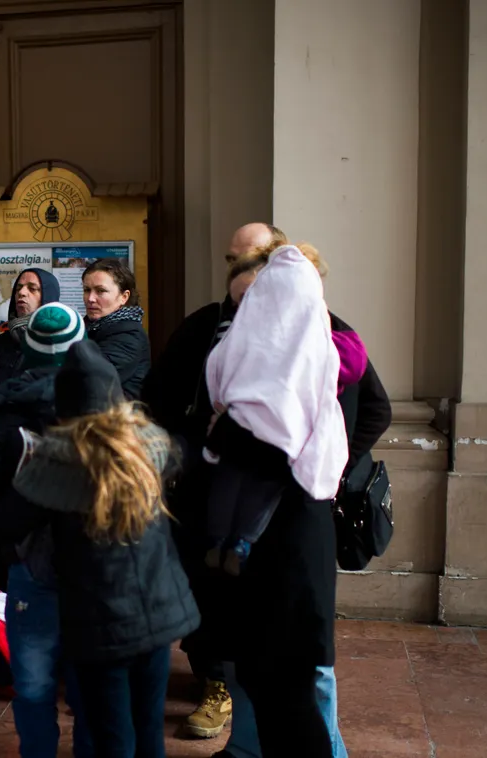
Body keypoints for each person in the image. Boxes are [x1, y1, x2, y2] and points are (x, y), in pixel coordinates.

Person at [213, 246, 390, 758]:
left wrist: (223, 431)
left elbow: (259, 447)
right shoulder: (302, 359)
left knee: (289, 687)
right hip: (282, 541)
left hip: (282, 547)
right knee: (273, 683)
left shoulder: (288, 368)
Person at [13, 341, 200, 758]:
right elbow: (179, 450)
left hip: (100, 628)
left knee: (112, 736)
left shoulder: (61, 467)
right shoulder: (148, 450)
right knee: (149, 727)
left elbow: (21, 495)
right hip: (156, 617)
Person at [141, 221, 287, 741]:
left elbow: (366, 407)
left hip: (269, 498)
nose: (240, 268)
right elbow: (157, 396)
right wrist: (186, 449)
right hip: (204, 487)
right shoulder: (205, 324)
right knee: (207, 589)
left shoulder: (307, 324)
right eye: (232, 259)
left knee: (259, 601)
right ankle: (215, 683)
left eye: (252, 257)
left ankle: (252, 690)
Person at [0, 302, 93, 758]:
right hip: (92, 568)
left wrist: (6, 530)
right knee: (89, 686)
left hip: (29, 566)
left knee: (32, 685)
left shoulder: (6, 406)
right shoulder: (103, 404)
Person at [202, 246, 347, 577]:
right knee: (265, 489)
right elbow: (322, 386)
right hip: (285, 430)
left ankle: (218, 539)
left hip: (237, 421)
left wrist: (221, 402)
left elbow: (218, 363)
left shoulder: (248, 323)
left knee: (229, 480)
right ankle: (243, 542)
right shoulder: (315, 329)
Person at [0, 267, 60, 423]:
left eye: (32, 289)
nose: (22, 293)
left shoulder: (58, 344)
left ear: (48, 298)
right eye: (18, 288)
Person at [81, 258, 149, 399]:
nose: (91, 298)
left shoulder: (129, 334)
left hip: (115, 418)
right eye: (87, 290)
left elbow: (90, 378)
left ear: (124, 297)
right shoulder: (89, 326)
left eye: (101, 291)